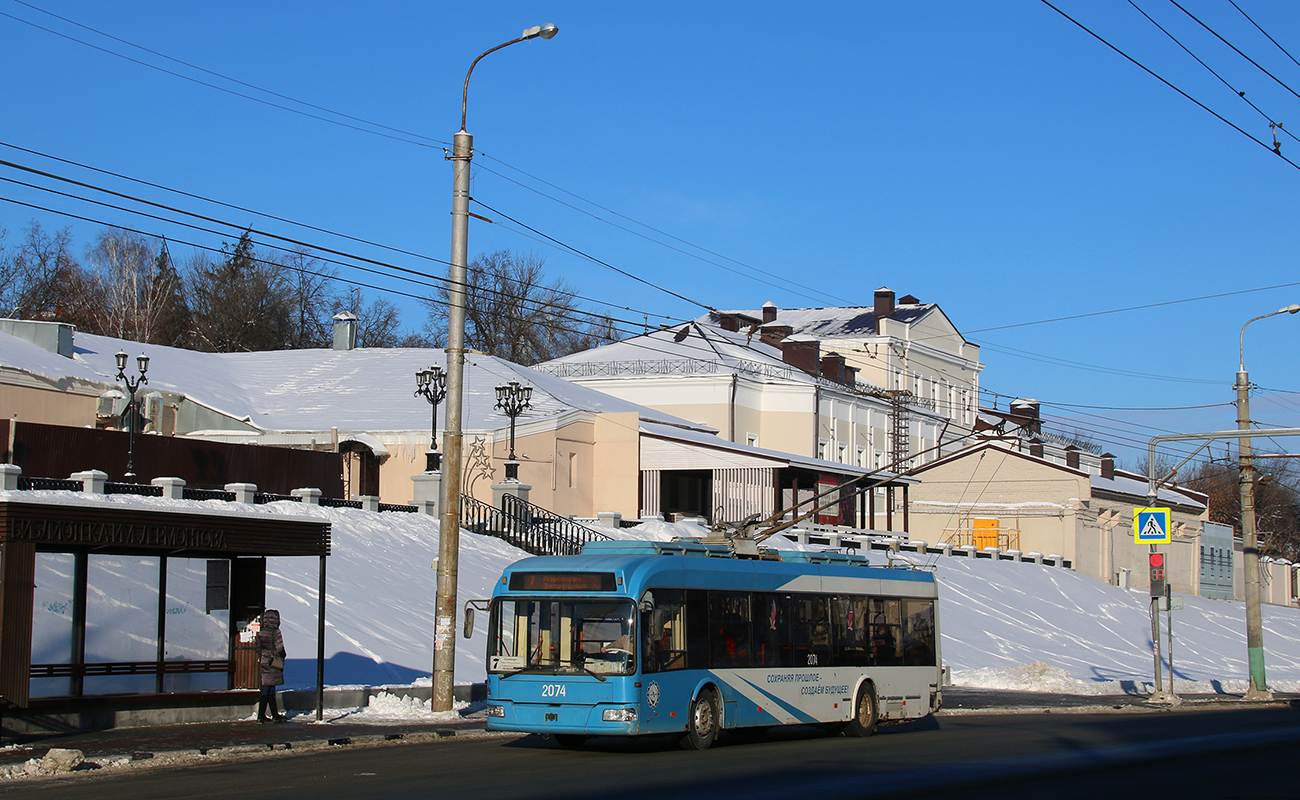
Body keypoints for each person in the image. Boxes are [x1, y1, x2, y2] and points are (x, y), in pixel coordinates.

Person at [257, 609, 288, 724]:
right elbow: (280, 648)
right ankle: (265, 715)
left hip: (264, 661)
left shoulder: (262, 631)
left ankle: (269, 714)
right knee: (269, 687)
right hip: (273, 662)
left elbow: (258, 648)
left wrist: (264, 654)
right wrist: (282, 655)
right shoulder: (276, 632)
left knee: (268, 685)